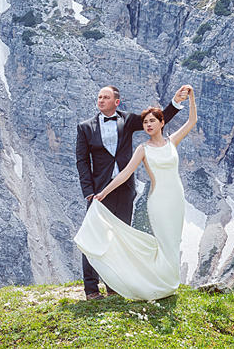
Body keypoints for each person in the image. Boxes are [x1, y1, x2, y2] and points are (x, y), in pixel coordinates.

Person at [74, 86, 199, 301]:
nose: (101, 100)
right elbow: (82, 161)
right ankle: (91, 289)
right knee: (94, 232)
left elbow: (159, 119)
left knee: (121, 237)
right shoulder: (85, 128)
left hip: (125, 190)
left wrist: (177, 101)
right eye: (99, 97)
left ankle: (113, 284)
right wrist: (90, 192)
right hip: (100, 189)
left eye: (106, 97)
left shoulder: (128, 120)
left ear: (117, 101)